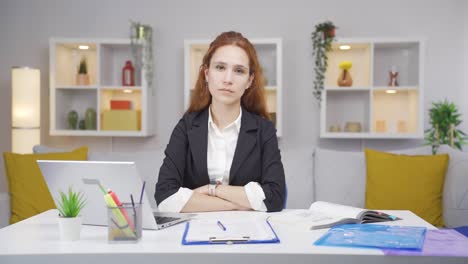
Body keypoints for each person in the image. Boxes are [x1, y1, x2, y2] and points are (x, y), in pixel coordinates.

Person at [155, 31, 285, 213]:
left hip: (250, 233)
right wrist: (241, 204)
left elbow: (275, 198)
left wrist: (212, 190)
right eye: (220, 67)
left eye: (239, 71)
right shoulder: (186, 127)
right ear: (207, 74)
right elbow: (165, 197)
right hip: (196, 232)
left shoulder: (264, 130)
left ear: (249, 80)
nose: (228, 79)